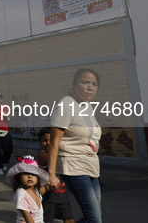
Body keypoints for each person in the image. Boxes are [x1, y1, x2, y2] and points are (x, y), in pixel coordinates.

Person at [48, 69, 102, 223]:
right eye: (85, 82)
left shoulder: (87, 106)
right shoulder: (66, 105)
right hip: (73, 165)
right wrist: (51, 175)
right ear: (74, 83)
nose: (90, 87)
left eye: (94, 84)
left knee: (93, 217)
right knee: (94, 219)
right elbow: (54, 142)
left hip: (91, 166)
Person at [37, 128, 75, 223]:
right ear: (40, 141)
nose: (48, 143)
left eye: (51, 140)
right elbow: (56, 162)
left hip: (62, 195)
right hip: (48, 197)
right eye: (45, 140)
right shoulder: (42, 154)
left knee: (70, 220)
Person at [6, 155, 49, 223]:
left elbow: (40, 193)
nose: (30, 176)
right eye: (26, 173)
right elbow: (25, 213)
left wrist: (49, 185)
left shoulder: (35, 190)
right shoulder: (21, 193)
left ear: (38, 178)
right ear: (19, 177)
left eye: (33, 174)